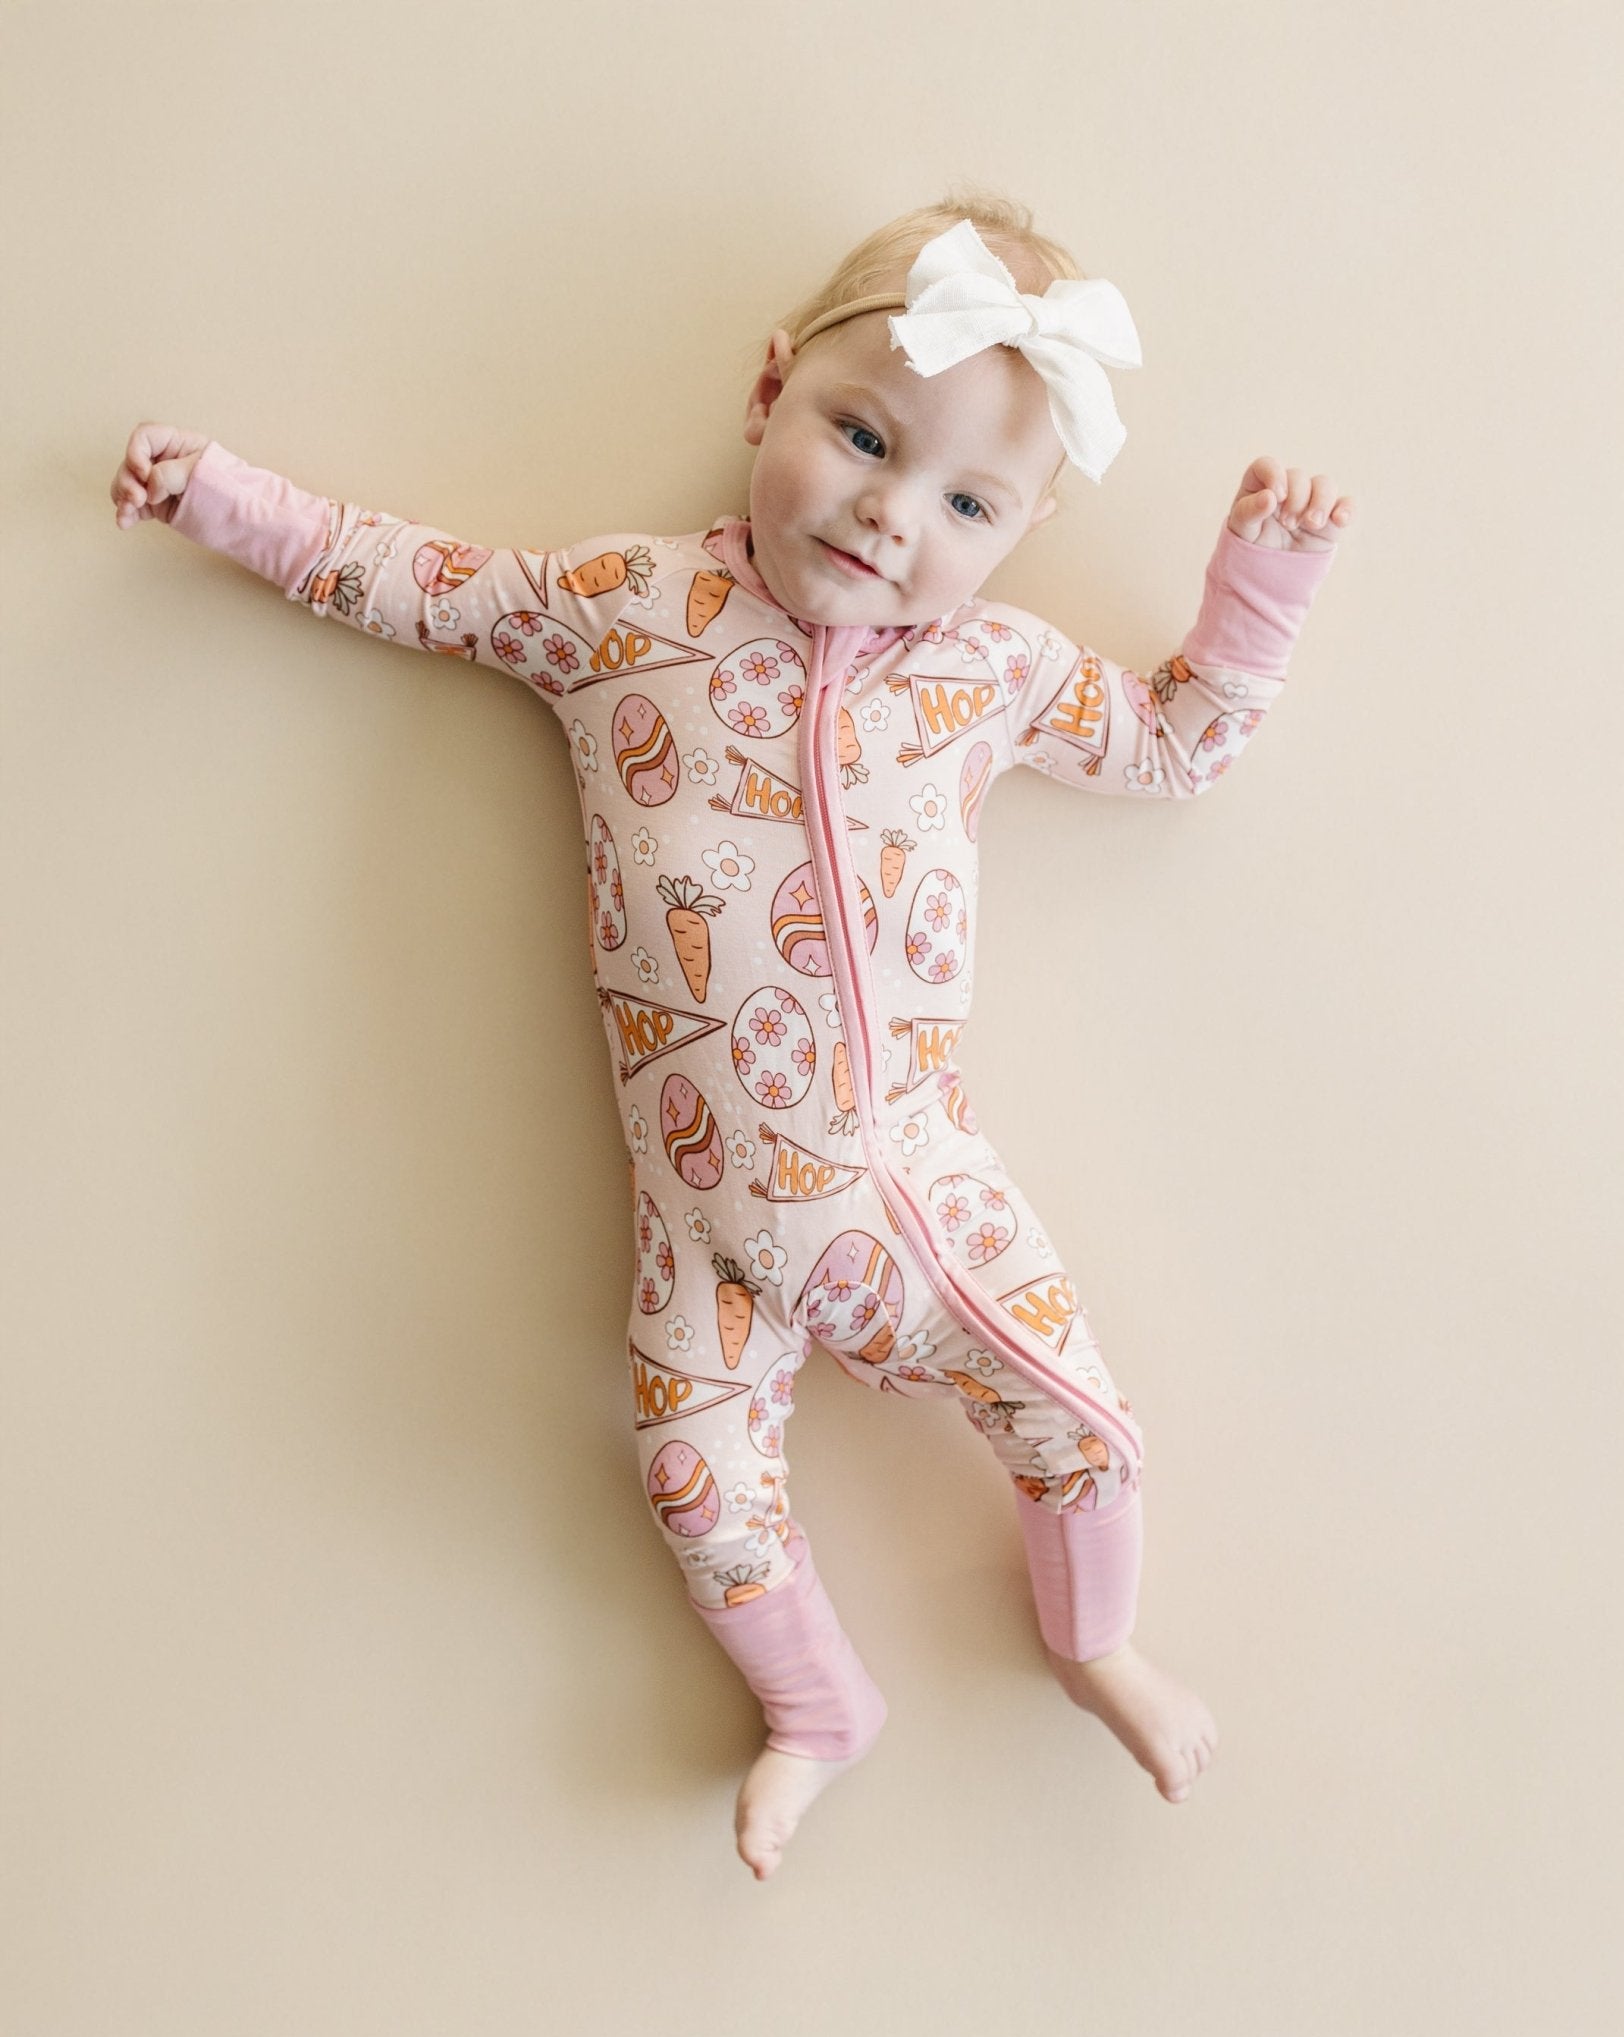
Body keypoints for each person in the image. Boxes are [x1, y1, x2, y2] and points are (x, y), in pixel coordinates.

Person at [110, 190, 1355, 1882]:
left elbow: (1178, 743)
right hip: (699, 1223)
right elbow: (417, 581)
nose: (889, 512)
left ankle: (1094, 1646)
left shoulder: (989, 670)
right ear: (770, 388)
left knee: (1084, 1430)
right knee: (691, 1477)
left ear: (1022, 528)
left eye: (966, 502)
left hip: (915, 1195)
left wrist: (1261, 582)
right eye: (863, 435)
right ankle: (818, 1708)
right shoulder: (622, 611)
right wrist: (222, 500)